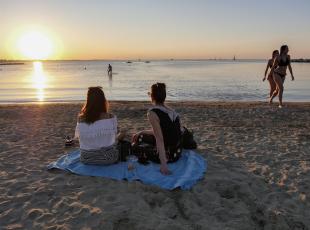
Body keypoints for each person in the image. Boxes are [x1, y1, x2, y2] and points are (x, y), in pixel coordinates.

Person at [132, 83, 182, 175]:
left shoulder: (152, 113)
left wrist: (164, 166)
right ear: (164, 96)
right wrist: (141, 131)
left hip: (169, 155)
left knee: (134, 147)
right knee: (141, 137)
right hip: (178, 151)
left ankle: (161, 157)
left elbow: (159, 139)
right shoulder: (171, 110)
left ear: (152, 96)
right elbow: (164, 132)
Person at [74, 86, 126, 165]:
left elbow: (80, 139)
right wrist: (122, 134)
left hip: (85, 158)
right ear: (103, 100)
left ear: (88, 101)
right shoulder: (110, 117)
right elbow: (114, 138)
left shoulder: (80, 119)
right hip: (108, 158)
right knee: (123, 138)